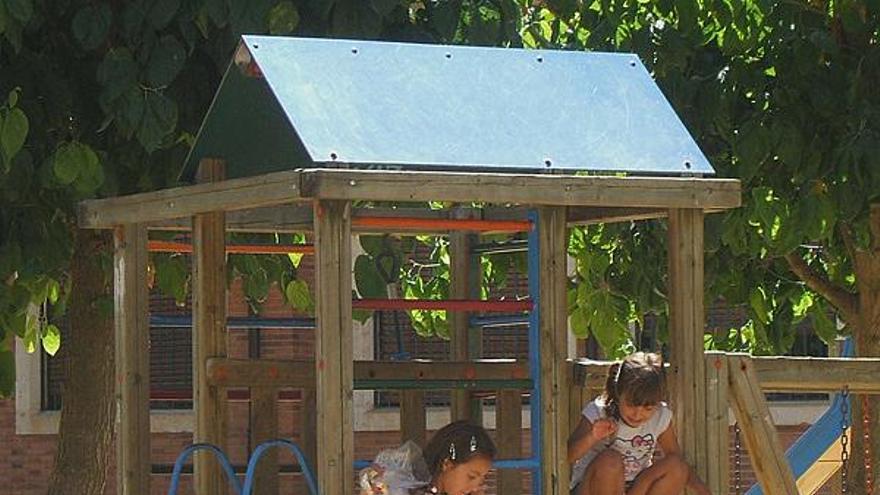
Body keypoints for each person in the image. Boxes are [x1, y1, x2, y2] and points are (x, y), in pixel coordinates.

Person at [567, 352, 711, 495]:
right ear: (618, 393)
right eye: (631, 405)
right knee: (610, 460)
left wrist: (702, 490)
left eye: (648, 408)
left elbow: (676, 458)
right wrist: (592, 436)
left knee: (676, 466)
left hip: (633, 487)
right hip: (594, 486)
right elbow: (568, 455)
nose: (637, 414)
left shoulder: (660, 416)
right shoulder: (599, 412)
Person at [359, 420, 496, 495]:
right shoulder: (397, 486)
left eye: (482, 479)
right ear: (447, 464)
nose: (475, 487)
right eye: (471, 477)